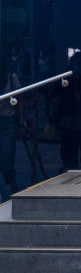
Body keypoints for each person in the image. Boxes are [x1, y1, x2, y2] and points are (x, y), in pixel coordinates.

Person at [51, 52, 81, 169]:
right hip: (68, 121)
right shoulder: (65, 81)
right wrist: (54, 118)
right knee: (68, 152)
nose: (79, 67)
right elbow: (56, 99)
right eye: (76, 64)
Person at [0, 56, 23, 200]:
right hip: (6, 121)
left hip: (7, 120)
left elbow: (20, 100)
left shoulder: (10, 77)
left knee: (7, 158)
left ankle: (11, 185)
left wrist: (21, 121)